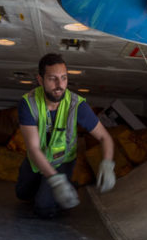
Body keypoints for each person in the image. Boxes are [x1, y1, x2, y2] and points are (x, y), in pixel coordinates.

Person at [16, 53, 116, 217]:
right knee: (23, 195)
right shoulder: (28, 103)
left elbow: (105, 138)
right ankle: (53, 185)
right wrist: (55, 181)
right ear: (40, 80)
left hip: (62, 161)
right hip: (37, 160)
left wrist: (107, 164)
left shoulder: (77, 105)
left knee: (43, 208)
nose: (59, 85)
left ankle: (64, 186)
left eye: (63, 78)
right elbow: (33, 149)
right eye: (52, 79)